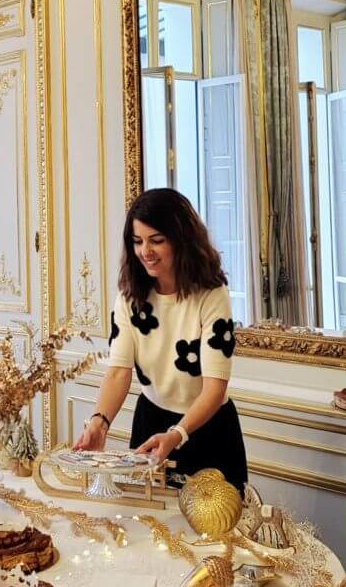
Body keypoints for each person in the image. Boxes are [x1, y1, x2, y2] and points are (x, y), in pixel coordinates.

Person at [73, 188, 247, 494]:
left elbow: (214, 387)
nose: (145, 251)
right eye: (137, 241)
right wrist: (99, 423)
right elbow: (118, 371)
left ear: (181, 239)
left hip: (209, 429)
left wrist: (178, 433)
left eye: (156, 240)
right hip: (150, 422)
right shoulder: (130, 295)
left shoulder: (211, 295)